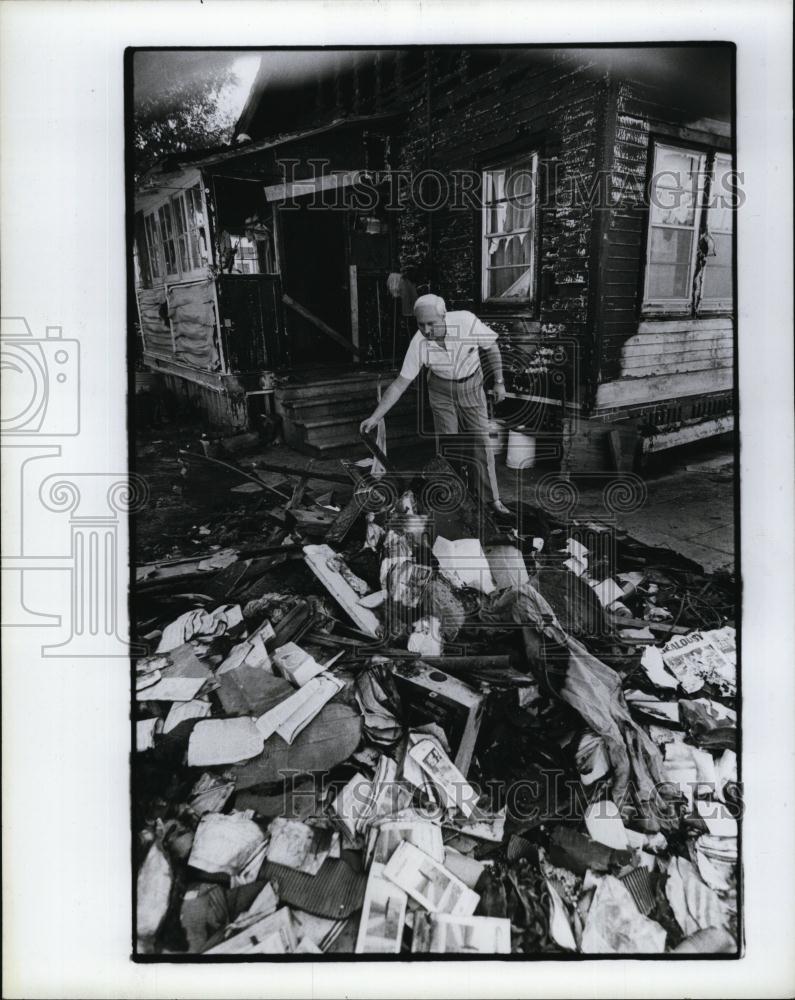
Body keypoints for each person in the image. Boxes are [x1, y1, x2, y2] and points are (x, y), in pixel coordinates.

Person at [360, 293, 510, 514]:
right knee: (449, 445)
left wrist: (499, 382)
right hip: (440, 388)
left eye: (432, 324)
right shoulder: (418, 343)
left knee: (480, 442)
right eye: (421, 325)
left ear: (444, 316)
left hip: (471, 384)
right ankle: (454, 499)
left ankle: (492, 501)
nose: (427, 331)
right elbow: (400, 383)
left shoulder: (466, 321)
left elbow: (492, 347)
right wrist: (376, 416)